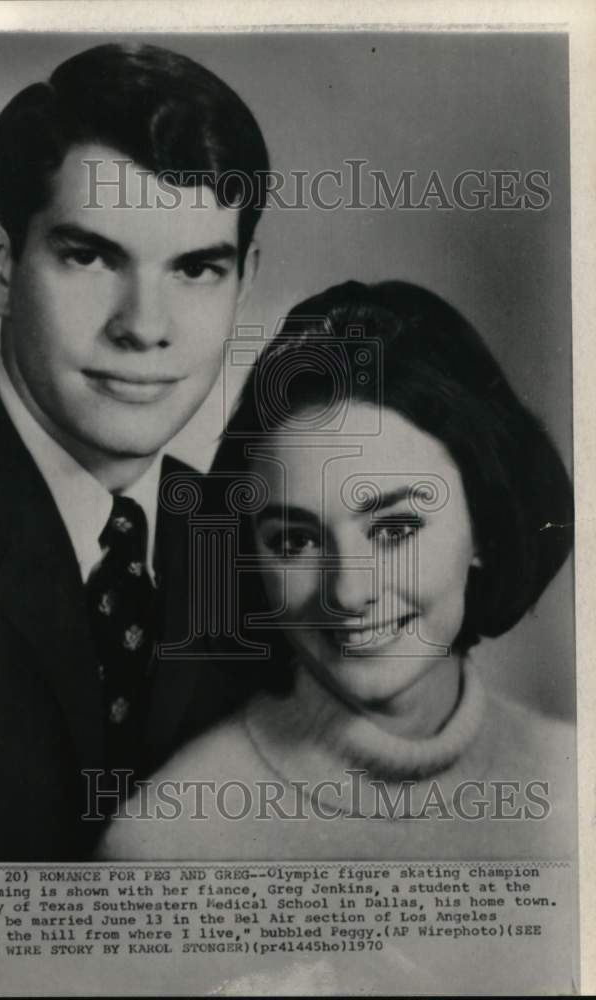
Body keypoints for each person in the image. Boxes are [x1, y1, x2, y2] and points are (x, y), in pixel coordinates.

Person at [0, 42, 270, 861]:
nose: (144, 326)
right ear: (0, 265)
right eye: (90, 256)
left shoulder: (256, 548)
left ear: (246, 280)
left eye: (196, 269)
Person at [98, 280, 576, 861]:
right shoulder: (166, 843)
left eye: (394, 530)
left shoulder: (574, 783)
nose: (347, 590)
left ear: (486, 525)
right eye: (295, 540)